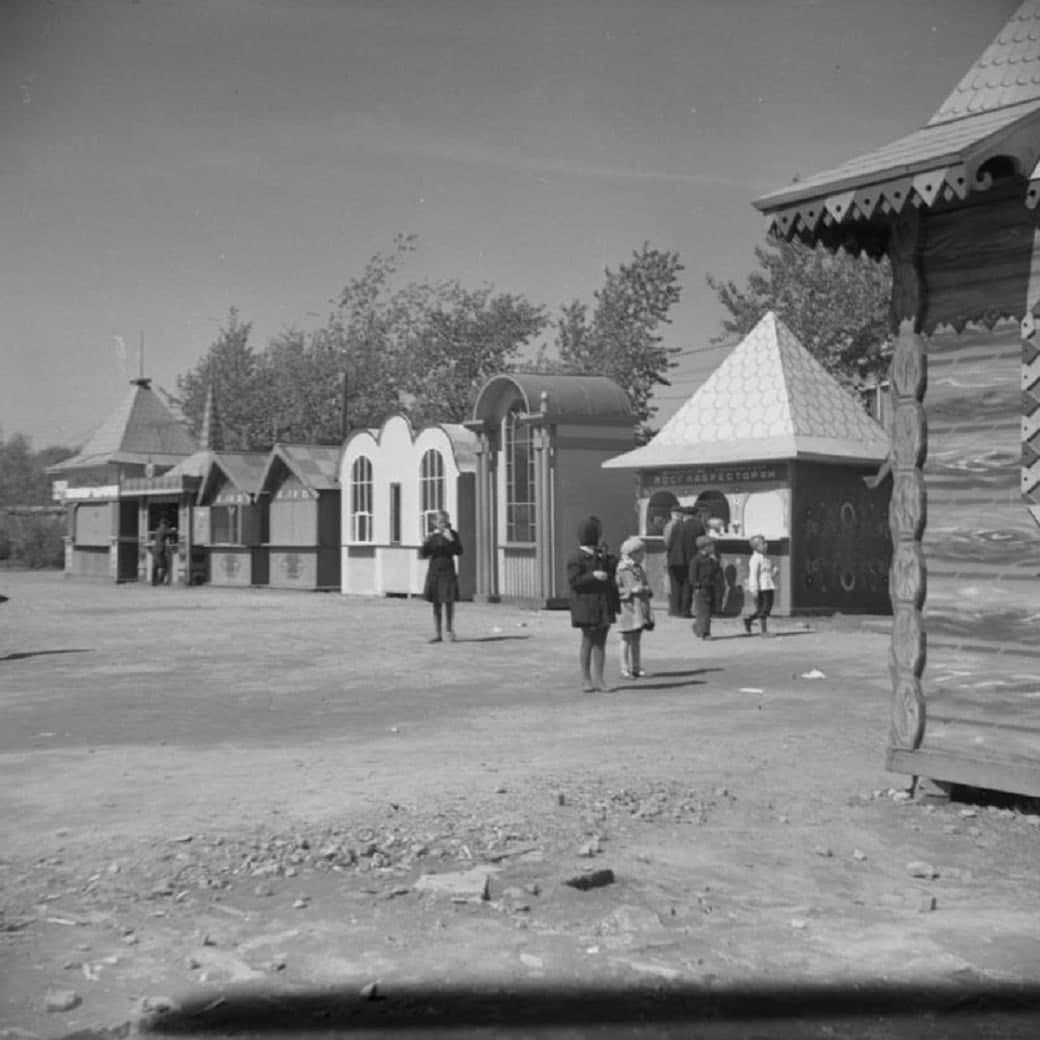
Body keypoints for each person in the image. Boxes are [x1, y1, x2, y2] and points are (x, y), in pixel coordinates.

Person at [566, 515, 620, 693]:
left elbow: (614, 568)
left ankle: (600, 679)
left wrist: (607, 555)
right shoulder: (576, 557)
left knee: (601, 643)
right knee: (588, 641)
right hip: (585, 605)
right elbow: (574, 581)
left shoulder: (600, 555)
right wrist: (593, 576)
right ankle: (586, 680)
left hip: (602, 603)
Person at [419, 510, 463, 643]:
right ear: (434, 523)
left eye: (444, 521)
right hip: (435, 571)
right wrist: (425, 544)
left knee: (449, 602)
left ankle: (449, 630)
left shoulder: (453, 534)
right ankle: (437, 634)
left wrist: (451, 540)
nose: (442, 524)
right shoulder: (432, 536)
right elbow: (423, 555)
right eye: (439, 522)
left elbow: (459, 551)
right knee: (436, 603)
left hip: (448, 570)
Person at [615, 535, 654, 679]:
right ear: (632, 553)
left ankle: (636, 667)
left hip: (639, 607)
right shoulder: (621, 569)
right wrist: (631, 591)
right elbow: (616, 590)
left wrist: (646, 589)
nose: (643, 556)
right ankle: (624, 668)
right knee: (626, 638)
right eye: (640, 553)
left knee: (637, 638)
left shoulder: (638, 568)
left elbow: (645, 582)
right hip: (627, 608)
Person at [744, 534, 777, 636]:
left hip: (768, 586)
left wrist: (774, 573)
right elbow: (753, 574)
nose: (766, 545)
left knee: (767, 608)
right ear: (756, 547)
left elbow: (766, 574)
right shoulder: (755, 559)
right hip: (761, 588)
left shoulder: (765, 558)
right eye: (763, 543)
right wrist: (754, 588)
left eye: (765, 542)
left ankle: (749, 619)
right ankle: (763, 631)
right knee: (764, 608)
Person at [690, 534, 720, 639]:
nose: (713, 548)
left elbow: (715, 572)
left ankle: (698, 627)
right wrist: (696, 586)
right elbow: (693, 576)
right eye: (711, 545)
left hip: (710, 587)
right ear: (704, 547)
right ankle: (705, 633)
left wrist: (716, 562)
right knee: (704, 611)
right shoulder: (696, 560)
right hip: (701, 589)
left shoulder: (711, 559)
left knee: (709, 611)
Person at [151, 518, 173, 586]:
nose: (166, 525)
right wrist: (174, 529)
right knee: (164, 566)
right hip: (160, 550)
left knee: (155, 566)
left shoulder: (158, 529)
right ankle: (161, 580)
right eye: (166, 524)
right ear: (164, 524)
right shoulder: (163, 529)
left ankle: (154, 582)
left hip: (155, 549)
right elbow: (169, 532)